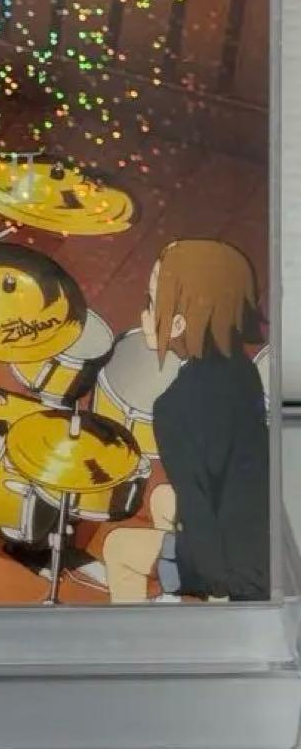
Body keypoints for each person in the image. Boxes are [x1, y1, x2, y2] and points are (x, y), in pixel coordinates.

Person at [102, 239, 269, 603]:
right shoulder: (240, 369)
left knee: (118, 547)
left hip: (243, 574)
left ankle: (139, 633)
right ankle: (174, 595)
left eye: (150, 303)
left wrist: (219, 590)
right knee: (163, 498)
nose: (144, 314)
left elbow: (197, 507)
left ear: (178, 323)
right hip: (265, 533)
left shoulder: (173, 409)